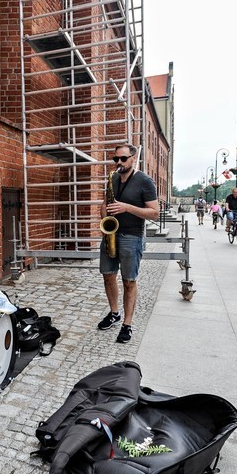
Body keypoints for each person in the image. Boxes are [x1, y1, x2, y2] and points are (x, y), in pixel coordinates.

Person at [97, 144, 159, 344]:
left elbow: (154, 213)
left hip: (132, 237)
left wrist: (126, 208)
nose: (119, 163)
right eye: (116, 159)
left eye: (123, 159)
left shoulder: (144, 181)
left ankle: (127, 324)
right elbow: (105, 204)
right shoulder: (113, 178)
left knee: (129, 281)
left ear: (133, 159)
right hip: (111, 234)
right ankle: (114, 313)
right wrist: (104, 218)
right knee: (108, 276)